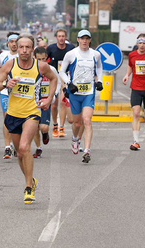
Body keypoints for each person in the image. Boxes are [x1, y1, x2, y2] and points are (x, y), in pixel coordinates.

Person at [0, 34, 57, 204]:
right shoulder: (10, 65)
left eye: (27, 47)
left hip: (32, 112)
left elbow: (53, 79)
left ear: (32, 49)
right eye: (21, 47)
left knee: (24, 146)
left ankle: (28, 187)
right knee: (20, 153)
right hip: (13, 113)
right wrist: (6, 84)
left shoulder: (40, 66)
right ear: (17, 48)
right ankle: (31, 179)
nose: (24, 50)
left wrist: (49, 99)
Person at [59, 30, 103, 163]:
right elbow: (62, 71)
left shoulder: (96, 54)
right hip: (75, 93)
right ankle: (75, 138)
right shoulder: (71, 54)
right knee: (76, 122)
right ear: (77, 40)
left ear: (90, 40)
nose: (84, 41)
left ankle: (87, 150)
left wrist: (99, 80)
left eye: (87, 39)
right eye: (82, 38)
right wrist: (68, 83)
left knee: (87, 120)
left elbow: (99, 68)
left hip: (89, 92)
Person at [32, 46, 61, 158]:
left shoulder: (51, 69)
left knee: (43, 127)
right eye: (39, 59)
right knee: (34, 127)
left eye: (43, 59)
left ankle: (45, 133)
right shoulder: (31, 70)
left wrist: (53, 96)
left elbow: (57, 82)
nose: (41, 62)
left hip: (46, 101)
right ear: (34, 58)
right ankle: (38, 148)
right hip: (33, 102)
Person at [46, 29, 75, 138]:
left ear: (65, 37)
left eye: (63, 36)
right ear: (56, 37)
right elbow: (45, 62)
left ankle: (61, 127)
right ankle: (55, 125)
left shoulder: (71, 48)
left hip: (66, 77)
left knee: (63, 102)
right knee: (54, 104)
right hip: (54, 78)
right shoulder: (51, 48)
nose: (61, 38)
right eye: (59, 36)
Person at [0, 32, 20, 159]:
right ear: (8, 43)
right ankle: (7, 147)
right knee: (7, 117)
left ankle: (17, 145)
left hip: (20, 91)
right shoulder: (3, 55)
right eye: (12, 42)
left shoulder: (23, 55)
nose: (14, 44)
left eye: (16, 42)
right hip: (5, 91)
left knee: (19, 118)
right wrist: (2, 80)